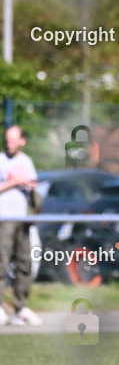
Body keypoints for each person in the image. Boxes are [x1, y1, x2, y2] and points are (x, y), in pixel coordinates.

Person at [0, 125, 43, 326]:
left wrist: (26, 182)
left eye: (13, 140)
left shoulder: (26, 161)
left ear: (21, 141)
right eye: (7, 139)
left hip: (23, 220)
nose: (9, 143)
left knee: (24, 263)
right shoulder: (1, 160)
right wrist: (14, 181)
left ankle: (20, 308)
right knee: (2, 263)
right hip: (4, 219)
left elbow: (33, 184)